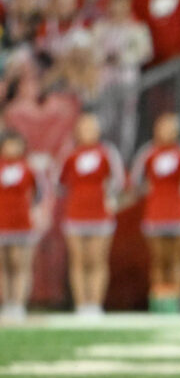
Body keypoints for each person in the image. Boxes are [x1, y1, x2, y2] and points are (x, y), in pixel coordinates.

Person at [130, 112, 180, 313]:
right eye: (162, 127)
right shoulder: (148, 153)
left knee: (178, 260)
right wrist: (150, 193)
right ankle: (159, 304)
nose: (166, 132)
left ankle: (177, 304)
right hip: (155, 214)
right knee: (158, 261)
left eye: (170, 127)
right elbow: (135, 181)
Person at [58, 113, 125, 317]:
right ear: (77, 131)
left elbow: (119, 182)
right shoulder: (69, 154)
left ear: (98, 131)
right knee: (78, 260)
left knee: (97, 259)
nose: (87, 131)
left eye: (91, 127)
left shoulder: (107, 153)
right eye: (83, 127)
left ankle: (95, 304)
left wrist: (108, 199)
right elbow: (58, 183)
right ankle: (81, 304)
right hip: (75, 214)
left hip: (100, 215)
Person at [0, 134, 46, 322]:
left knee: (20, 264)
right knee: (3, 266)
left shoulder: (30, 169)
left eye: (16, 145)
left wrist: (32, 212)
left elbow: (40, 194)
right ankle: (5, 303)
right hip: (1, 224)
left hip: (22, 224)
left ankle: (18, 304)